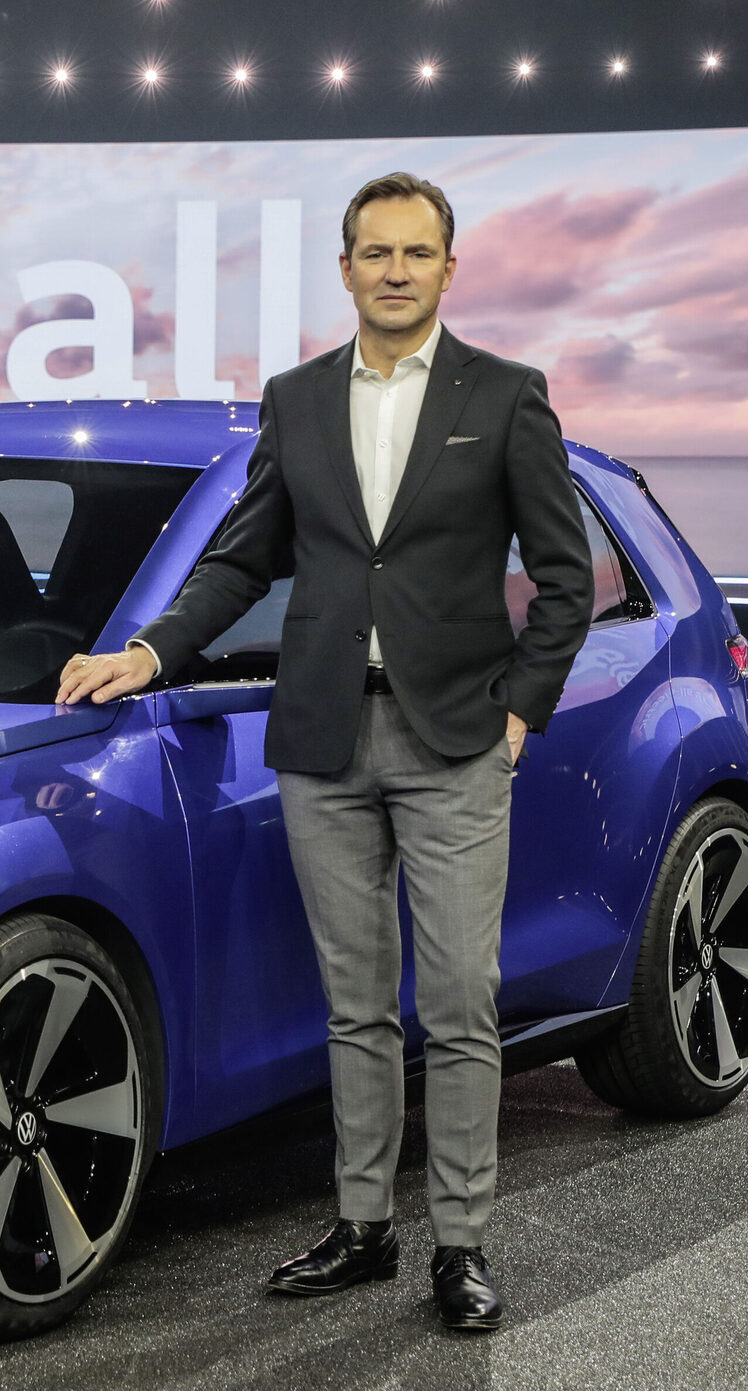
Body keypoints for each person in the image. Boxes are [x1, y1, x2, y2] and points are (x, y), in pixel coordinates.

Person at [57, 173, 592, 1331]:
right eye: (375, 252)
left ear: (449, 268)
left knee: (460, 1002)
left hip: (456, 740)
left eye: (416, 252)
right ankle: (362, 1227)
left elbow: (565, 580)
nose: (396, 270)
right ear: (345, 269)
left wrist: (519, 713)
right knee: (354, 1004)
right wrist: (149, 653)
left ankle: (461, 1244)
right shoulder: (296, 401)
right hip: (320, 739)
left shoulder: (507, 397)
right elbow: (242, 558)